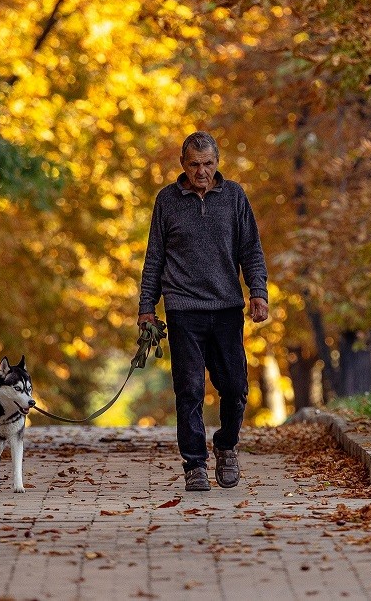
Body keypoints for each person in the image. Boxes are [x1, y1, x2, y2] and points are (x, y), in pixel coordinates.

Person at [138, 131, 269, 491]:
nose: (201, 172)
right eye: (194, 164)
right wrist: (146, 308)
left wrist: (258, 292)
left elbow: (251, 251)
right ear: (182, 164)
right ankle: (194, 463)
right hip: (183, 309)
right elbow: (154, 259)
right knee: (190, 389)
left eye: (208, 164)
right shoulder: (167, 200)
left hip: (227, 307)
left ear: (217, 162)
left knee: (235, 387)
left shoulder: (234, 197)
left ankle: (226, 446)